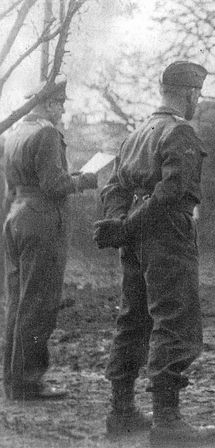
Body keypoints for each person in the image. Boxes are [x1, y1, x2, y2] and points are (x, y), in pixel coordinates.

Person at [93, 61, 215, 445]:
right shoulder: (179, 129)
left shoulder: (135, 134)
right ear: (190, 93)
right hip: (166, 234)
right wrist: (128, 226)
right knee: (175, 317)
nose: (197, 100)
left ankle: (122, 411)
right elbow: (173, 192)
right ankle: (167, 421)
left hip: (135, 238)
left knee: (133, 318)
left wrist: (120, 224)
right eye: (197, 94)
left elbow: (113, 186)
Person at [3, 78, 98, 400]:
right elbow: (54, 185)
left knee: (17, 302)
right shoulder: (46, 133)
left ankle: (12, 380)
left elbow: (12, 186)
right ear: (47, 104)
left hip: (16, 216)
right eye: (60, 103)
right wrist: (85, 180)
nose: (63, 109)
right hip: (43, 220)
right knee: (39, 302)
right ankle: (28, 383)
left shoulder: (13, 133)